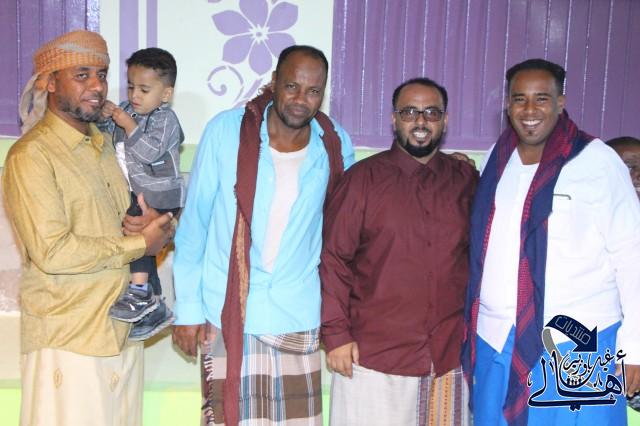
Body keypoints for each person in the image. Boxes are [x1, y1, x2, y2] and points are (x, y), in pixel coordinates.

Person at [172, 45, 354, 425]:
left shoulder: (334, 144)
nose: (301, 99)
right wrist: (187, 309)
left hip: (296, 313)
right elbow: (195, 225)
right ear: (273, 82)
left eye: (313, 91)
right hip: (225, 312)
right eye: (292, 86)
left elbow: (346, 228)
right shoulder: (226, 131)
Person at [2, 30, 174, 426]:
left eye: (102, 74)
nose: (97, 86)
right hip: (68, 340)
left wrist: (157, 229)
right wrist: (139, 243)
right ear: (49, 82)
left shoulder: (107, 146)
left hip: (120, 333)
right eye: (81, 75)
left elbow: (136, 232)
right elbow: (53, 252)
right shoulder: (31, 156)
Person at [462, 58, 640, 425]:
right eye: (519, 99)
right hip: (497, 338)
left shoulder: (598, 161)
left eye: (541, 98)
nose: (529, 110)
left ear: (561, 102)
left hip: (579, 344)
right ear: (507, 105)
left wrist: (635, 348)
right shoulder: (498, 158)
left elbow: (632, 256)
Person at [320, 77, 477, 426]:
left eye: (431, 113)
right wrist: (336, 336)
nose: (420, 121)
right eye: (409, 112)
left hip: (447, 358)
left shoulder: (465, 181)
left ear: (445, 121)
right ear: (394, 119)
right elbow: (333, 260)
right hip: (374, 359)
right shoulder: (361, 180)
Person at [99, 47, 184, 340]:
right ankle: (152, 302)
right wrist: (106, 116)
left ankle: (139, 291)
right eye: (131, 86)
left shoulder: (166, 120)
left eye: (144, 90)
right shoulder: (128, 109)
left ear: (165, 94)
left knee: (137, 236)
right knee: (137, 239)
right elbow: (110, 135)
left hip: (161, 192)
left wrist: (128, 124)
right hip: (138, 190)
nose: (135, 95)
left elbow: (150, 152)